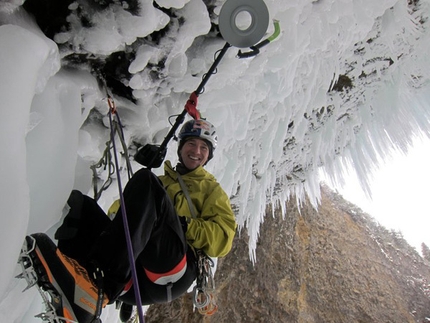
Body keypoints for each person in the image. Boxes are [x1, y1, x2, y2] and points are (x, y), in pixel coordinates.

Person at [22, 119, 237, 323]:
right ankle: (75, 292)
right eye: (191, 143)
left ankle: (96, 288)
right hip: (135, 276)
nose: (196, 151)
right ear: (181, 147)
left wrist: (185, 225)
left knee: (147, 183)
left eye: (204, 148)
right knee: (81, 207)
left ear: (209, 156)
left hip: (170, 271)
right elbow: (119, 211)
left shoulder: (211, 190)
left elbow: (223, 239)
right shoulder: (160, 183)